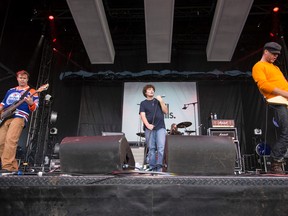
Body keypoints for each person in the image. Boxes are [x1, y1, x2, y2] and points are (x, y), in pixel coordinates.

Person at [252, 41, 288, 174]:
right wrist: (285, 93)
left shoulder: (276, 68)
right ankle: (276, 162)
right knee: (286, 131)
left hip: (285, 101)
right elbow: (263, 85)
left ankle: (278, 160)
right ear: (265, 51)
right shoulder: (258, 66)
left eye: (277, 54)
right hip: (276, 102)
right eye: (273, 54)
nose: (276, 56)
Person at [0, 70, 39, 172]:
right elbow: (3, 104)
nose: (22, 80)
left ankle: (7, 167)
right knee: (1, 142)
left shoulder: (32, 91)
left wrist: (31, 103)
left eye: (24, 78)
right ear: (17, 78)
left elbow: (35, 108)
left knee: (10, 140)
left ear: (27, 79)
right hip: (5, 117)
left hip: (19, 116)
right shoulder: (10, 90)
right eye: (21, 78)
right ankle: (13, 167)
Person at [139, 84, 168, 171]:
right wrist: (148, 125)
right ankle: (152, 167)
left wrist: (161, 101)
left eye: (152, 89)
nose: (151, 91)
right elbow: (142, 115)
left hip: (160, 127)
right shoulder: (143, 103)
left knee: (161, 147)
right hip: (149, 129)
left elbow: (166, 111)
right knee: (151, 148)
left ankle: (159, 168)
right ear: (145, 92)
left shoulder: (158, 101)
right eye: (149, 89)